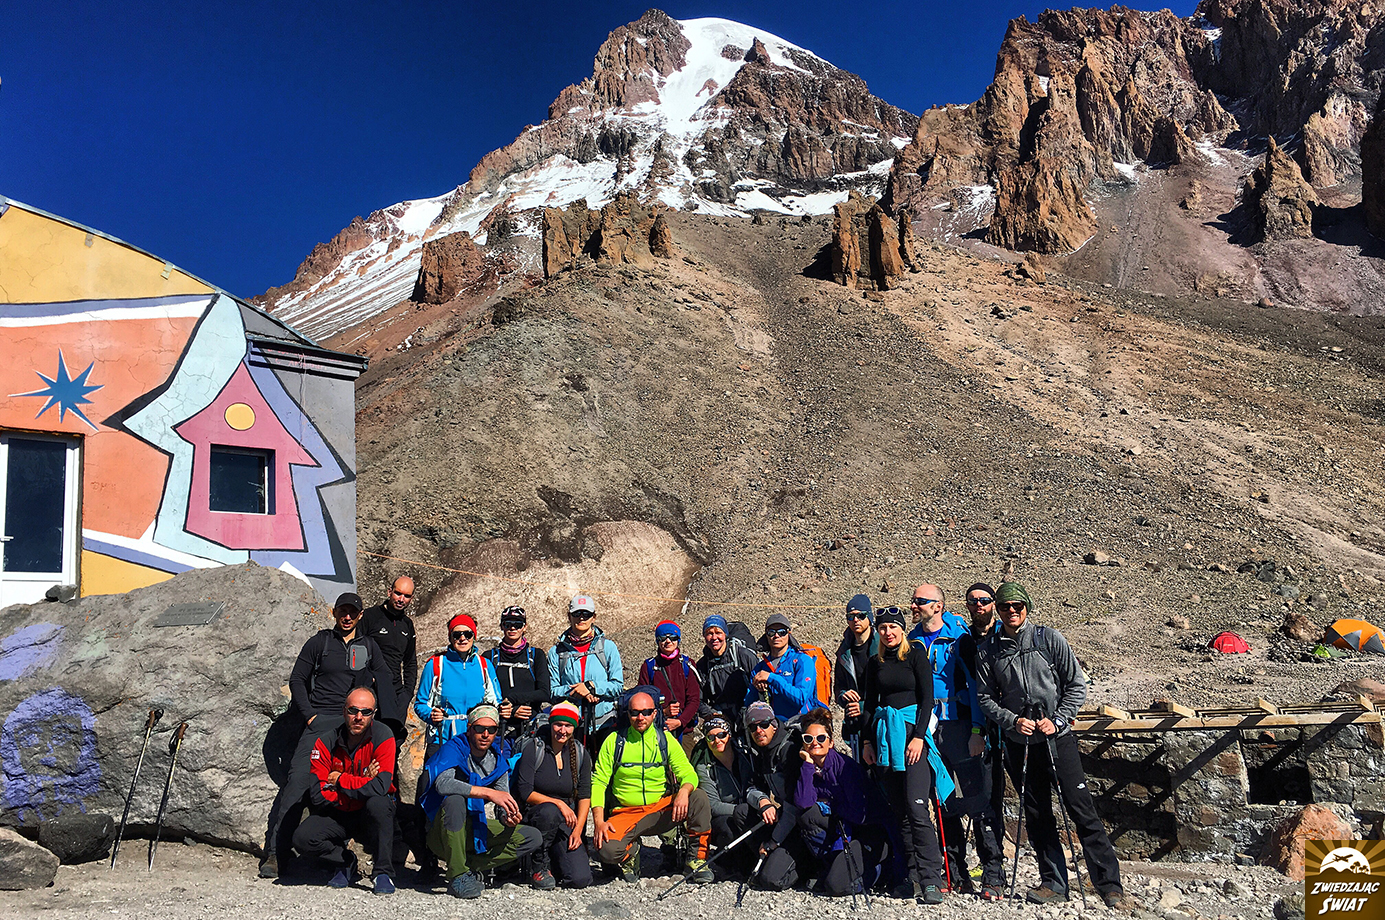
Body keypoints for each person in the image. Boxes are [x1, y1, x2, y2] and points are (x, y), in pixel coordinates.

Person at [974, 583, 1132, 910]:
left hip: (1057, 740)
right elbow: (985, 698)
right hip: (1020, 743)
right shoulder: (989, 650)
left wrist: (1058, 720)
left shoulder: (1049, 639)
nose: (1011, 611)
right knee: (1037, 815)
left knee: (1081, 808)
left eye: (1017, 605)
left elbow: (1076, 684)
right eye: (1004, 606)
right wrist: (1012, 721)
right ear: (998, 611)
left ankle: (1109, 885)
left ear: (1026, 607)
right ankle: (1053, 883)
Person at [261, 592, 400, 878]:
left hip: (357, 723)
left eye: (353, 612)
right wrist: (310, 715)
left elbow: (385, 680)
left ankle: (362, 854)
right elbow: (297, 679)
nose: (347, 617)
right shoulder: (320, 642)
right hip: (321, 722)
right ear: (334, 613)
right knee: (298, 783)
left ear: (360, 616)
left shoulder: (369, 646)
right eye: (342, 611)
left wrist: (391, 725)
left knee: (373, 786)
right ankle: (275, 853)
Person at [909, 584, 1005, 897]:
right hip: (928, 729)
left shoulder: (959, 638)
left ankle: (993, 874)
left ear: (937, 606)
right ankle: (955, 872)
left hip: (960, 727)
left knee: (978, 799)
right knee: (944, 801)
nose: (914, 605)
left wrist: (978, 730)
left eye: (920, 601)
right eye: (914, 600)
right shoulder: (912, 640)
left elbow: (977, 686)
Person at [761, 709, 902, 897]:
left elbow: (858, 814)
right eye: (808, 739)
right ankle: (828, 865)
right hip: (842, 829)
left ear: (831, 742)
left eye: (821, 738)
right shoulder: (808, 768)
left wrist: (830, 805)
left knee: (836, 886)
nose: (815, 743)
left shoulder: (845, 768)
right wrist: (808, 765)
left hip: (869, 832)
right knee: (807, 814)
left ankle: (881, 872)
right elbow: (803, 803)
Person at [862, 606, 946, 903]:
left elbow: (927, 700)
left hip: (912, 737)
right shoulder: (875, 662)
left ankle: (932, 879)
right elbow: (869, 704)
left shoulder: (916, 655)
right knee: (900, 811)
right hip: (886, 740)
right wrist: (867, 742)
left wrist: (919, 737)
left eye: (893, 627)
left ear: (902, 629)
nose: (888, 632)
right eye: (883, 628)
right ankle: (911, 877)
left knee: (917, 807)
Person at [420, 703, 542, 899]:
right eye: (479, 728)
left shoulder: (498, 762)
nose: (485, 734)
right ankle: (458, 875)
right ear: (469, 729)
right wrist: (488, 793)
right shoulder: (454, 748)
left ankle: (466, 866)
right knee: (454, 801)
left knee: (532, 837)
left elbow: (501, 803)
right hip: (442, 831)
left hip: (474, 827)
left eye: (491, 730)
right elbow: (443, 784)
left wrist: (507, 817)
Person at [590, 690, 713, 883]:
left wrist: (684, 791)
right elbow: (598, 782)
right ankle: (630, 854)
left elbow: (688, 773)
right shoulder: (614, 741)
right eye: (635, 712)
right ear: (628, 714)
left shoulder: (665, 740)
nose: (640, 717)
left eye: (646, 712)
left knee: (698, 797)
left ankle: (697, 859)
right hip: (625, 812)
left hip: (660, 809)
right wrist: (598, 822)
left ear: (655, 713)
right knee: (606, 851)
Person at [292, 688, 398, 895]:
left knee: (380, 803)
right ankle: (345, 861)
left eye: (366, 712)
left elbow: (381, 786)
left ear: (373, 714)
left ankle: (382, 872)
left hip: (369, 812)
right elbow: (318, 795)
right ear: (343, 711)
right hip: (338, 812)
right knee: (302, 839)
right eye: (353, 710)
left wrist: (340, 780)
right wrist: (364, 781)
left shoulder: (384, 736)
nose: (359, 717)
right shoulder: (325, 742)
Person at [953, 581, 1008, 898]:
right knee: (983, 800)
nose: (978, 606)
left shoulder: (1005, 633)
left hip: (1011, 726)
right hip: (979, 729)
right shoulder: (963, 642)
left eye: (984, 600)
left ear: (993, 603)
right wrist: (976, 728)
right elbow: (966, 686)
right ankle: (992, 871)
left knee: (1002, 799)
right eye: (973, 601)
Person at [512, 701, 593, 890]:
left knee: (580, 879)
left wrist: (578, 830)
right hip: (537, 815)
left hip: (565, 821)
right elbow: (525, 792)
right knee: (550, 811)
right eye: (558, 724)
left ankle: (555, 862)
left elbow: (584, 794)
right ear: (551, 724)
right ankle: (539, 865)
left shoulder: (580, 753)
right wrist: (559, 804)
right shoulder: (534, 749)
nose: (562, 730)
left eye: (568, 725)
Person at [549, 594, 624, 745]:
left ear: (594, 617)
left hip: (605, 723)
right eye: (577, 613)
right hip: (569, 725)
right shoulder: (556, 652)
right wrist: (578, 691)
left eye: (586, 614)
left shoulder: (608, 647)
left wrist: (592, 687)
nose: (581, 618)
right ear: (569, 616)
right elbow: (552, 691)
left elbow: (617, 686)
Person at [414, 613, 498, 749]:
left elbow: (496, 702)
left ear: (474, 636)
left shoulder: (484, 665)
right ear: (450, 637)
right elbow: (420, 704)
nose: (462, 638)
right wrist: (431, 715)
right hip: (441, 739)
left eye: (468, 634)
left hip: (475, 740)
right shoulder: (435, 665)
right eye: (457, 635)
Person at [689, 713, 757, 876]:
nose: (717, 740)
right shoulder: (704, 767)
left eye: (721, 735)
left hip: (749, 809)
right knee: (729, 831)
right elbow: (713, 805)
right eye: (711, 737)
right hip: (724, 817)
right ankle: (730, 862)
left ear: (729, 735)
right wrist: (742, 811)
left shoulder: (746, 757)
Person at [483, 606, 552, 746]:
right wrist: (511, 709)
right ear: (502, 626)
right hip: (499, 730)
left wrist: (513, 699)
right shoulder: (489, 657)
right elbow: (484, 694)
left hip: (530, 729)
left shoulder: (536, 655)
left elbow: (545, 693)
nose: (513, 628)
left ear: (525, 627)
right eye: (508, 624)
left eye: (518, 624)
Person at [360, 576, 419, 727]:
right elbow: (356, 651)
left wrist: (407, 693)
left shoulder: (407, 624)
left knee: (392, 737)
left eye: (406, 596)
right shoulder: (370, 616)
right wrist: (366, 681)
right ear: (389, 592)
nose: (401, 599)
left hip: (395, 694)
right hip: (370, 691)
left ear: (411, 599)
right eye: (398, 593)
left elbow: (410, 661)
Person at [745, 613, 817, 722]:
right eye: (771, 632)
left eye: (782, 632)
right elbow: (748, 704)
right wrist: (757, 689)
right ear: (766, 635)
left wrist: (772, 678)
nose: (776, 636)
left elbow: (801, 698)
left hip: (799, 724)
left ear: (789, 633)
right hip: (770, 727)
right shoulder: (759, 668)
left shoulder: (802, 660)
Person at [637, 620, 701, 739]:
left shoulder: (687, 665)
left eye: (673, 637)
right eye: (663, 638)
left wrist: (680, 721)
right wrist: (663, 712)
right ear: (657, 641)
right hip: (656, 730)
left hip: (684, 730)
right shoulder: (649, 667)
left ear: (678, 640)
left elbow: (694, 699)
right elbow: (642, 700)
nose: (668, 641)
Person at [697, 614, 758, 730]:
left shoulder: (743, 656)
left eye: (718, 633)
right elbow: (698, 699)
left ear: (725, 634)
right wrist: (712, 715)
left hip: (748, 712)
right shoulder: (702, 666)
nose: (714, 637)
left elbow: (760, 685)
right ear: (704, 637)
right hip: (720, 717)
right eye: (709, 633)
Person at [834, 594, 877, 758]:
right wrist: (844, 696)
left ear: (869, 617)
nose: (856, 620)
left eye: (861, 615)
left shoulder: (882, 646)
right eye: (851, 616)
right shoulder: (844, 650)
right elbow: (838, 686)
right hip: (855, 724)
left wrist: (863, 706)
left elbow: (890, 688)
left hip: (878, 720)